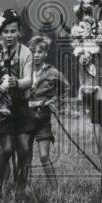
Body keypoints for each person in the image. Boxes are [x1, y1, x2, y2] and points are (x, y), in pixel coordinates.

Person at [0, 9, 35, 198]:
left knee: (23, 148)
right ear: (0, 33)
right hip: (0, 106)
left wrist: (17, 83)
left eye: (13, 31)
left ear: (19, 32)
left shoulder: (25, 52)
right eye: (5, 32)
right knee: (5, 149)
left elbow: (29, 80)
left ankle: (20, 189)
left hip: (20, 105)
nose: (9, 36)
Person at [27, 35, 69, 192]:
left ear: (46, 54)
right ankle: (26, 189)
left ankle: (55, 190)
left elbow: (66, 88)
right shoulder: (25, 70)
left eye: (40, 52)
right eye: (33, 52)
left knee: (44, 156)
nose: (36, 55)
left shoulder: (53, 72)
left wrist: (55, 101)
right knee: (27, 156)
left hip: (43, 119)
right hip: (26, 117)